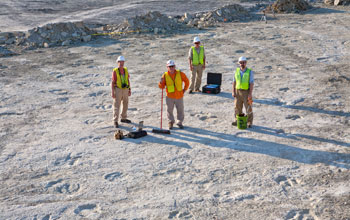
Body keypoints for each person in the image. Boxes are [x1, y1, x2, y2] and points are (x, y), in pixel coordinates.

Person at [158, 60, 189, 129]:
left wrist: (184, 89)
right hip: (169, 96)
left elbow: (187, 81)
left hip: (179, 96)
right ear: (167, 67)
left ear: (174, 66)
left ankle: (179, 122)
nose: (171, 68)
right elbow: (161, 87)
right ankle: (171, 122)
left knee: (180, 110)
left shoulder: (180, 73)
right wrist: (160, 82)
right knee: (169, 110)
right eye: (169, 67)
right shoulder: (165, 75)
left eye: (172, 66)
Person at [232, 56, 254, 128]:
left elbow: (251, 83)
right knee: (237, 107)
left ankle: (249, 122)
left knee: (248, 107)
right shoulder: (237, 71)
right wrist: (233, 91)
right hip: (238, 92)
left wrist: (250, 94)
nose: (242, 64)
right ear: (239, 63)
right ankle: (237, 120)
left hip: (246, 92)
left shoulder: (250, 71)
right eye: (241, 63)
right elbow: (234, 82)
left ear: (246, 63)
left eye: (243, 62)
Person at [111, 55, 132, 128]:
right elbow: (113, 82)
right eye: (120, 62)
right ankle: (115, 121)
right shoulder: (115, 71)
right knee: (117, 105)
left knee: (125, 103)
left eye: (122, 62)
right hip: (118, 89)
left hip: (125, 89)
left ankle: (123, 118)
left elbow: (128, 80)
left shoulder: (125, 70)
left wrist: (129, 89)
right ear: (117, 62)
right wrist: (112, 92)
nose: (121, 63)